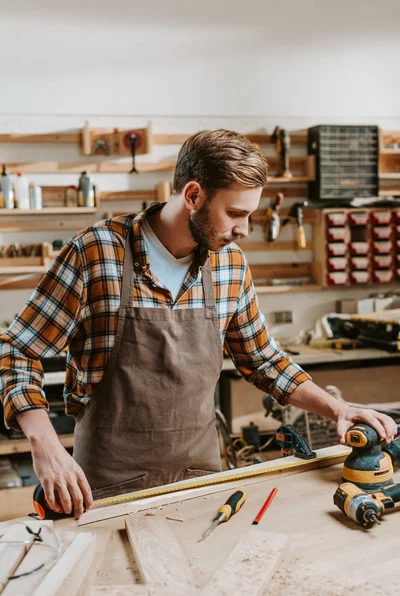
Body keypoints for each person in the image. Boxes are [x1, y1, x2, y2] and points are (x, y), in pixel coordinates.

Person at [0, 130, 397, 519]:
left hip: (202, 484)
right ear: (193, 195)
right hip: (105, 490)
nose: (243, 229)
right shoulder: (96, 252)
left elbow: (263, 360)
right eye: (236, 213)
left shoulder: (230, 264)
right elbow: (17, 350)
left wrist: (337, 408)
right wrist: (45, 444)